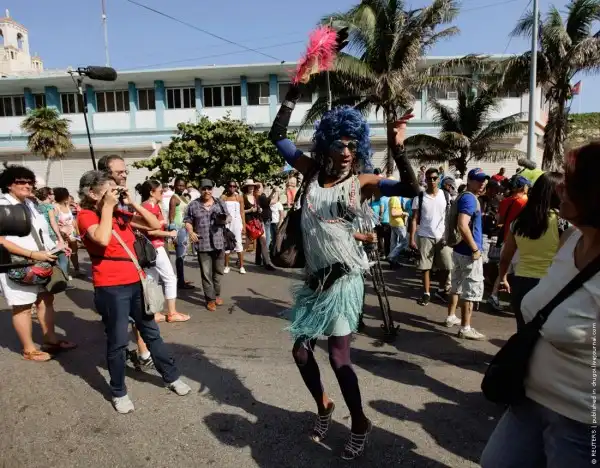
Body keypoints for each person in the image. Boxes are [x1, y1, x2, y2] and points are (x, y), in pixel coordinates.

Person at [269, 82, 419, 460]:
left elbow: (410, 189)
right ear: (327, 144)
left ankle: (359, 422)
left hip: (344, 280)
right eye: (341, 144)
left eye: (354, 145)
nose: (348, 151)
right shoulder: (310, 172)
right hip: (314, 281)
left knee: (339, 358)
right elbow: (278, 136)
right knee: (301, 353)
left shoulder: (362, 183)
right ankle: (324, 406)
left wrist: (398, 147)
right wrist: (294, 93)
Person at [481, 143, 600, 468]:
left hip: (581, 421)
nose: (559, 188)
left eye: (570, 182)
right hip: (526, 399)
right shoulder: (571, 239)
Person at [77, 171, 191, 413]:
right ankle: (119, 391)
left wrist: (132, 203)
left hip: (136, 283)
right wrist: (108, 207)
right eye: (109, 190)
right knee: (118, 342)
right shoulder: (86, 215)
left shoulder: (120, 213)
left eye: (115, 190)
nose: (114, 194)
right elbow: (102, 239)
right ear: (92, 193)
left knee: (152, 333)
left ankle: (171, 377)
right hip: (111, 287)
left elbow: (154, 225)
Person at [0, 166, 76, 362]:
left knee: (46, 300)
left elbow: (41, 232)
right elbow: (1, 240)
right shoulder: (2, 205)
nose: (27, 185)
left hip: (42, 261)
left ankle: (51, 341)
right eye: (21, 181)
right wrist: (32, 254)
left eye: (30, 182)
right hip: (16, 264)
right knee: (23, 307)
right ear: (9, 184)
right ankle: (29, 350)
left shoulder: (31, 204)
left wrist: (57, 247)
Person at [496, 172, 566, 329]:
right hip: (549, 284)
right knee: (544, 334)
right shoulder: (562, 222)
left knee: (523, 331)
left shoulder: (518, 222)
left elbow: (505, 257)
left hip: (520, 283)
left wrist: (503, 278)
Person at [137, 180, 190, 323]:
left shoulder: (151, 205)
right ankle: (172, 313)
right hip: (154, 247)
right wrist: (169, 234)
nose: (163, 193)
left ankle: (155, 313)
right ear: (151, 192)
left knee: (152, 279)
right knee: (170, 278)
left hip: (152, 247)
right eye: (161, 191)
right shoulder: (148, 207)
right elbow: (150, 231)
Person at [446, 168, 488, 340]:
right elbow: (463, 225)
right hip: (468, 253)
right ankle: (466, 327)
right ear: (469, 181)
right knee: (469, 291)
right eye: (478, 180)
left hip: (459, 250)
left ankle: (451, 316)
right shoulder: (470, 199)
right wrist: (475, 249)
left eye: (483, 180)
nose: (482, 183)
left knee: (456, 286)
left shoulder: (463, 196)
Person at [185, 179, 231, 312]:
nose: (207, 191)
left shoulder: (219, 203)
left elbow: (229, 217)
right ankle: (210, 299)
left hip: (219, 242)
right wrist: (191, 232)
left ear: (212, 189)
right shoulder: (193, 205)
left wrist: (223, 219)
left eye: (209, 188)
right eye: (204, 189)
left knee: (218, 271)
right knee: (206, 273)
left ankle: (216, 294)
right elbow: (187, 220)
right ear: (200, 189)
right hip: (202, 243)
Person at [409, 167, 453, 306]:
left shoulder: (446, 196)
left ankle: (441, 290)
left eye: (434, 178)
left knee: (446, 266)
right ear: (425, 179)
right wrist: (411, 238)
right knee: (425, 267)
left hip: (442, 237)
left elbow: (449, 217)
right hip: (424, 235)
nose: (432, 181)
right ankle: (426, 293)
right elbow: (414, 219)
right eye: (429, 178)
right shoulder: (419, 197)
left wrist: (449, 235)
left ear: (439, 179)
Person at [487, 174, 531, 311]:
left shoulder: (505, 201)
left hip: (506, 239)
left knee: (503, 270)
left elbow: (500, 220)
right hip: (519, 241)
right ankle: (515, 301)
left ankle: (494, 295)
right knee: (518, 273)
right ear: (523, 187)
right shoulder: (525, 202)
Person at [35, 187, 69, 275]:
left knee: (51, 258)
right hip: (52, 235)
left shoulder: (38, 206)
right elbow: (53, 222)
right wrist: (60, 237)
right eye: (53, 194)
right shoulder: (49, 207)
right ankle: (63, 278)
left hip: (43, 235)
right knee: (62, 258)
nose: (54, 195)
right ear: (48, 196)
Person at [168, 178, 194, 290]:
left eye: (183, 186)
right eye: (179, 185)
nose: (181, 187)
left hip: (184, 228)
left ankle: (181, 279)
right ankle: (180, 282)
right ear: (174, 186)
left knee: (183, 256)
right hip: (179, 229)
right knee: (180, 256)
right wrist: (173, 233)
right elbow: (171, 217)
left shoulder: (183, 197)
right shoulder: (174, 198)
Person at [243, 179, 275, 270]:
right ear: (246, 187)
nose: (251, 187)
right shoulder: (243, 198)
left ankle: (267, 263)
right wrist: (250, 210)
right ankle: (240, 258)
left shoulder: (256, 197)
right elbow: (240, 211)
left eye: (253, 186)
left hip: (258, 221)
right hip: (249, 222)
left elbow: (262, 205)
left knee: (263, 241)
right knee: (248, 242)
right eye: (249, 186)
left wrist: (259, 210)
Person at [54, 187, 83, 278]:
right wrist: (60, 234)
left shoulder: (66, 205)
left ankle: (77, 271)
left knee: (74, 252)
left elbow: (72, 219)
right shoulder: (56, 207)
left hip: (72, 233)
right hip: (63, 234)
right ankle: (65, 274)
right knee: (65, 254)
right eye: (67, 195)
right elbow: (54, 222)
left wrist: (77, 232)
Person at [221, 180, 246, 274]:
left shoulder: (239, 197)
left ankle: (241, 266)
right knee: (226, 243)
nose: (232, 188)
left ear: (236, 187)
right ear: (227, 187)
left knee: (238, 243)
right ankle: (226, 266)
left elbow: (242, 212)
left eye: (234, 186)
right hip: (227, 223)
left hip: (237, 222)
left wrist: (244, 225)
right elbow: (220, 211)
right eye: (230, 186)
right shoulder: (223, 197)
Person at [254, 181, 277, 268]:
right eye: (258, 187)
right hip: (264, 220)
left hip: (263, 220)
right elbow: (273, 201)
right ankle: (265, 261)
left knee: (261, 242)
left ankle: (259, 260)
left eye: (260, 186)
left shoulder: (258, 197)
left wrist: (272, 192)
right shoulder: (260, 197)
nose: (259, 188)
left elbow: (268, 200)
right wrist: (276, 192)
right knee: (266, 241)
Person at [387, 194, 408, 266]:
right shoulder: (394, 199)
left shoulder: (392, 198)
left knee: (394, 243)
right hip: (398, 223)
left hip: (394, 223)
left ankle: (393, 262)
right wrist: (404, 213)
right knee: (404, 242)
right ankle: (391, 256)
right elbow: (393, 213)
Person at [371, 193, 391, 258]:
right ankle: (387, 254)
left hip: (383, 221)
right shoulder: (390, 198)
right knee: (387, 239)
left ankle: (383, 253)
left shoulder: (382, 199)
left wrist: (379, 220)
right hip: (389, 221)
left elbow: (381, 211)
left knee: (380, 237)